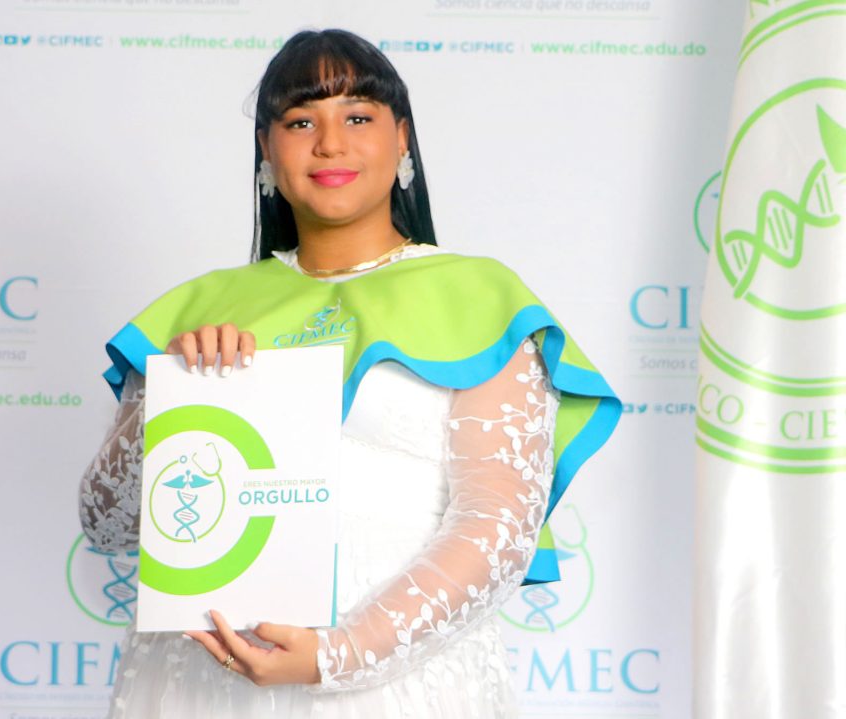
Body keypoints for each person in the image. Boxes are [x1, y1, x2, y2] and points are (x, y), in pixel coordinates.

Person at [79, 28, 619, 718]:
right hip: (202, 678)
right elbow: (108, 524)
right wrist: (173, 394)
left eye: (358, 117)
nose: (330, 144)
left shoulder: (481, 297)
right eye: (301, 122)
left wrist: (338, 656)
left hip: (394, 683)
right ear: (267, 150)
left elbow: (497, 527)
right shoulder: (199, 309)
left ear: (403, 139)